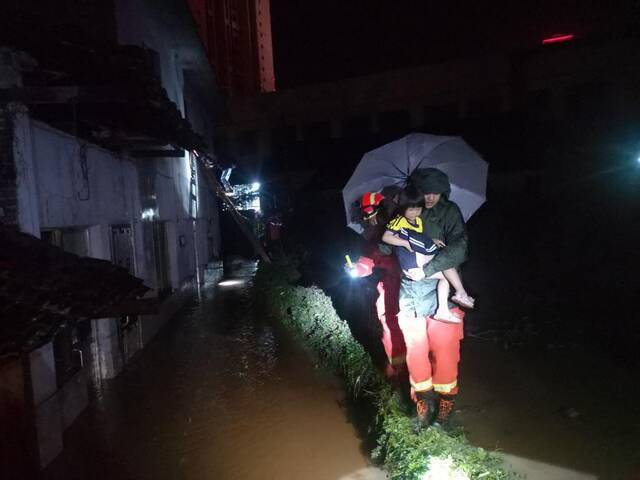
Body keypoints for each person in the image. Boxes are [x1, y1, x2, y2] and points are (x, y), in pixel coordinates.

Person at [395, 168, 471, 428]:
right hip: (411, 297)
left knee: (446, 353)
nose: (429, 197)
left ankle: (446, 405)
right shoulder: (405, 210)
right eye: (425, 191)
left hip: (443, 295)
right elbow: (385, 244)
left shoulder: (450, 213)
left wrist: (427, 268)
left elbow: (460, 247)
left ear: (444, 191)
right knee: (415, 352)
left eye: (435, 192)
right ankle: (422, 403)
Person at [382, 184, 469, 324]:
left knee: (445, 275)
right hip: (411, 262)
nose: (415, 213)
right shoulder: (399, 220)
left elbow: (419, 237)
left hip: (419, 257)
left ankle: (443, 309)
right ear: (402, 207)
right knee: (446, 269)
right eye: (411, 209)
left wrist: (432, 240)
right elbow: (386, 237)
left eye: (418, 209)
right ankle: (460, 294)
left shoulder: (418, 221)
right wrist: (405, 243)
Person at [348, 191, 407, 377]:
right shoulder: (370, 235)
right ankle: (396, 363)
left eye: (373, 216)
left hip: (407, 283)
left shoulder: (400, 226)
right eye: (367, 217)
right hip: (387, 282)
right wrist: (358, 268)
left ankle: (409, 367)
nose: (371, 221)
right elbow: (369, 260)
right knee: (387, 321)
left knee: (404, 324)